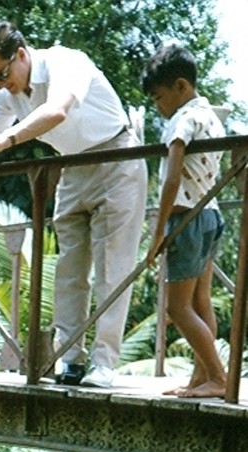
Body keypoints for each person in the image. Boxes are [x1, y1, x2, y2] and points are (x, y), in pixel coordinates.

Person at [0, 20, 148, 388]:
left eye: (3, 74)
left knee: (112, 268)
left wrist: (6, 140)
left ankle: (104, 365)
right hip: (71, 165)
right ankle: (69, 359)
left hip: (116, 158)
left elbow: (56, 111)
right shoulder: (5, 90)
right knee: (69, 272)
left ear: (22, 54)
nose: (0, 84)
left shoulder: (66, 62)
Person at [142, 44, 227, 399]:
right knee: (201, 302)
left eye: (160, 97)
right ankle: (202, 377)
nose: (159, 107)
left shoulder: (183, 121)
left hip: (187, 221)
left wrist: (157, 232)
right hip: (211, 215)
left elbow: (171, 180)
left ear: (180, 86)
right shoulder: (213, 116)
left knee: (177, 307)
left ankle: (219, 378)